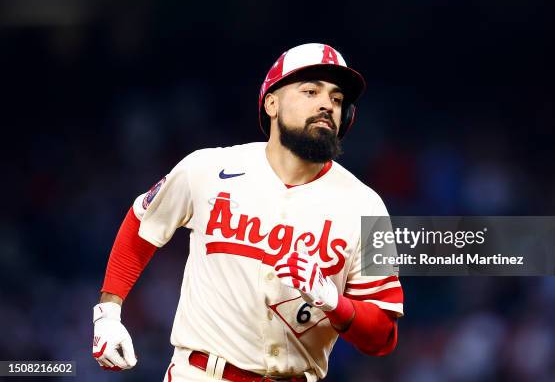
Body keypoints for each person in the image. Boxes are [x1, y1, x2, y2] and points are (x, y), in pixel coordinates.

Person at [92, 43, 404, 382]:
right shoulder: (208, 169)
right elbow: (143, 221)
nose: (326, 105)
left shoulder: (367, 206)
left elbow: (382, 336)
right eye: (311, 91)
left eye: (337, 98)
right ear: (271, 102)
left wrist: (334, 302)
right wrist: (108, 312)